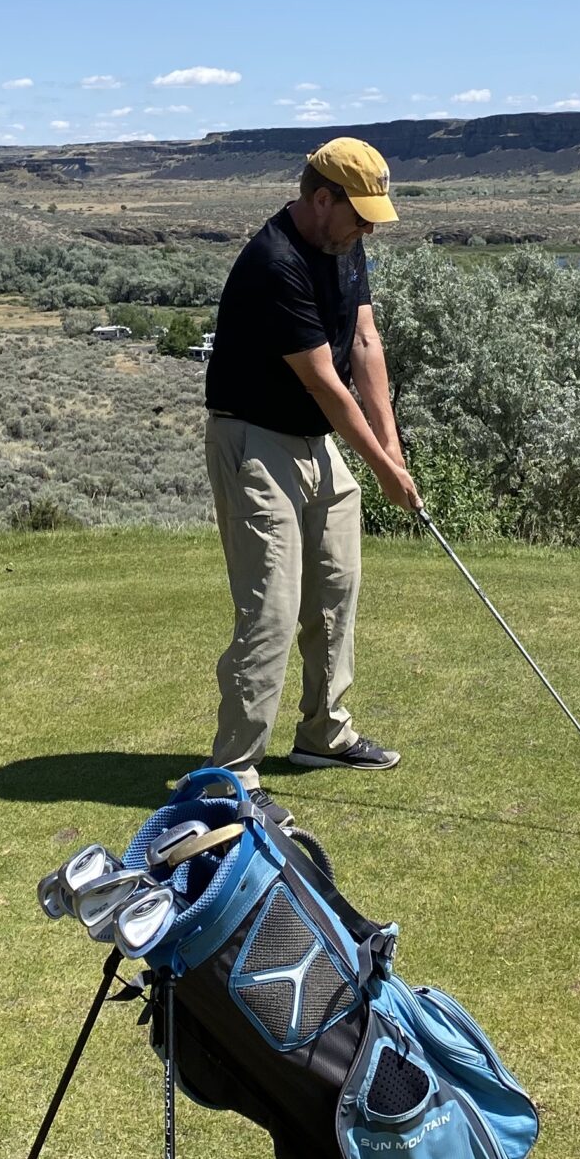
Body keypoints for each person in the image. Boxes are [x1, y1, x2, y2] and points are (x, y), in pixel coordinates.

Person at [202, 137, 423, 792]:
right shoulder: (275, 262)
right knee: (270, 609)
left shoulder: (344, 244)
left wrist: (393, 446)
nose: (367, 229)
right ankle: (234, 771)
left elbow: (363, 342)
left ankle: (324, 736)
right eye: (358, 214)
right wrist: (383, 469)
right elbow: (326, 381)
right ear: (319, 199)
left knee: (333, 590)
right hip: (255, 442)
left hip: (315, 442)